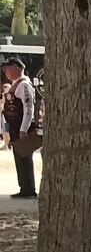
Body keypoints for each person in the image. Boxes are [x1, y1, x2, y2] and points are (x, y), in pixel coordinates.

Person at [2, 58, 40, 200]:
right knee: (19, 158)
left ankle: (29, 189)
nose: (6, 72)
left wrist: (23, 129)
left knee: (24, 158)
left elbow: (28, 108)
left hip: (21, 128)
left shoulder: (24, 85)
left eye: (8, 68)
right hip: (15, 126)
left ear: (17, 67)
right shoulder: (15, 85)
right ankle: (23, 187)